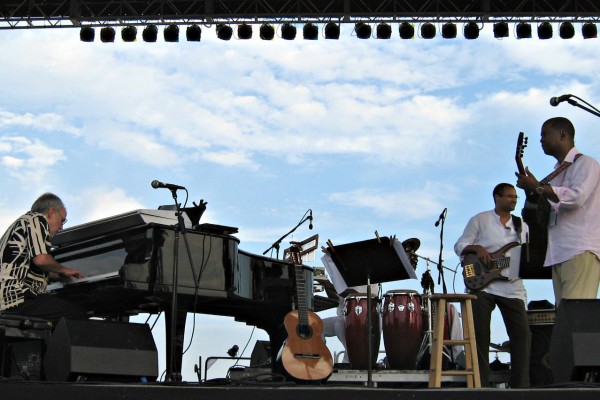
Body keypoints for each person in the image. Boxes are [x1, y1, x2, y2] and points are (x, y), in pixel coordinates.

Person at [516, 116, 600, 305]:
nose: (541, 140)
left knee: (577, 315)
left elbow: (576, 197)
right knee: (565, 318)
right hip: (558, 252)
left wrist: (538, 187)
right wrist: (534, 190)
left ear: (563, 134)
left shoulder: (586, 163)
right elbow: (546, 208)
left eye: (545, 134)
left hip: (580, 248)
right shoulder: (557, 174)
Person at [454, 183, 531, 388]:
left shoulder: (522, 226)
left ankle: (521, 387)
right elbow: (460, 246)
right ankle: (481, 385)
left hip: (512, 288)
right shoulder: (480, 220)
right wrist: (477, 248)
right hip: (483, 286)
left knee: (523, 336)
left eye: (516, 197)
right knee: (480, 336)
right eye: (509, 196)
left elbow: (529, 255)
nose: (514, 200)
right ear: (497, 197)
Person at [0, 192, 87, 322]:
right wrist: (64, 269)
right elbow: (41, 259)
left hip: (7, 296)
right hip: (15, 296)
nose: (61, 228)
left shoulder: (20, 224)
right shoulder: (36, 219)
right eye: (62, 221)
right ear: (51, 212)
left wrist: (58, 276)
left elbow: (28, 266)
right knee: (76, 314)